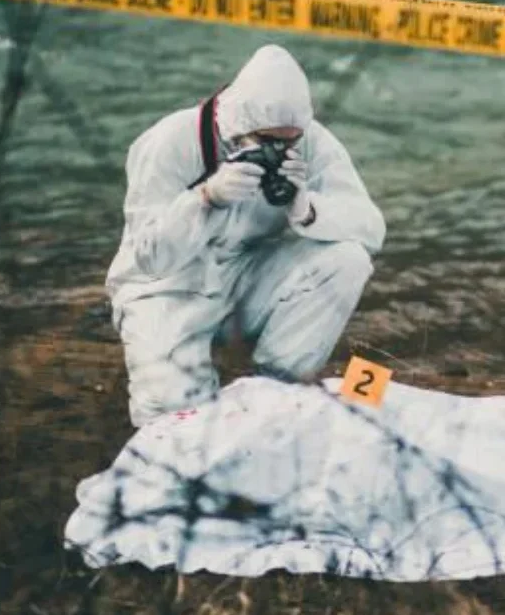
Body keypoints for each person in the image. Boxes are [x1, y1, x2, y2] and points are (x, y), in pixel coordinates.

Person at [104, 44, 386, 427]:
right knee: (174, 419)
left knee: (347, 260)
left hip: (244, 280)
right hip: (165, 289)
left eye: (290, 141)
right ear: (236, 128)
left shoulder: (311, 143)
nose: (280, 152)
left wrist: (307, 208)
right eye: (269, 141)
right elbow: (147, 258)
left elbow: (370, 228)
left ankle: (273, 387)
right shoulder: (170, 141)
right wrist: (205, 199)